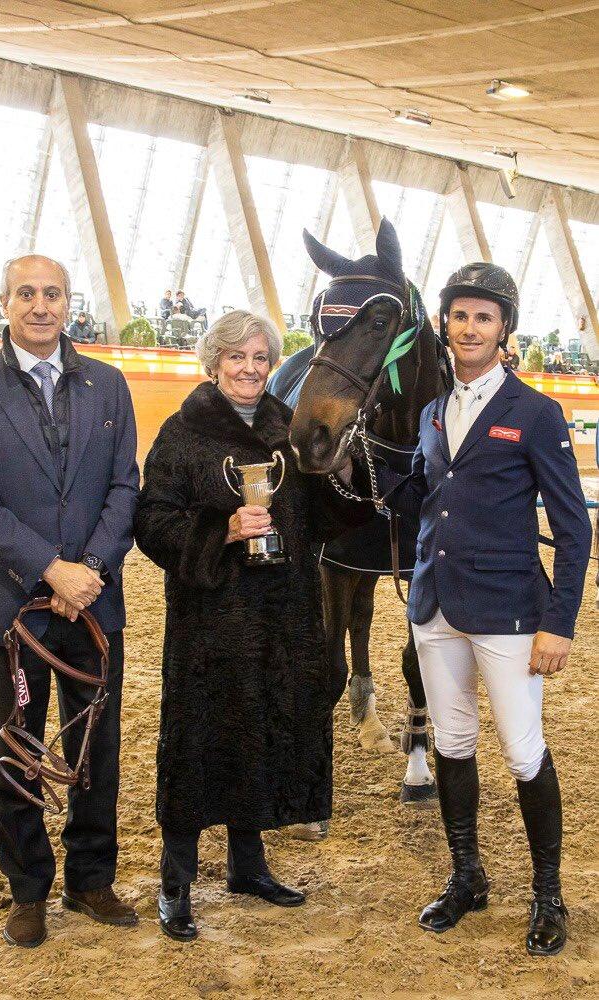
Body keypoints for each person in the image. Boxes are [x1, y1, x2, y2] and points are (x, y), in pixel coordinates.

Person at [133, 310, 369, 942]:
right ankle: (176, 880)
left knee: (261, 734)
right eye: (236, 358)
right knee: (198, 741)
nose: (249, 369)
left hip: (282, 617)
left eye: (260, 358)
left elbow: (326, 519)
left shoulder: (288, 435)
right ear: (214, 364)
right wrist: (223, 531)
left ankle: (248, 866)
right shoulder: (181, 435)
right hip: (211, 622)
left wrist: (346, 476)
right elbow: (151, 522)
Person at [378, 263, 591, 956]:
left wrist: (558, 622)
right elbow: (425, 495)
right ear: (444, 324)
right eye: (460, 315)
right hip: (435, 607)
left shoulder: (534, 412)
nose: (469, 328)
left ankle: (547, 894)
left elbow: (572, 526)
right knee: (452, 742)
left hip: (508, 611)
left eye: (484, 317)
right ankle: (467, 877)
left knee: (523, 751)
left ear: (504, 330)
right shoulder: (432, 413)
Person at [0, 254, 140, 948]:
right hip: (6, 609)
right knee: (16, 752)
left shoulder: (109, 387)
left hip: (93, 603)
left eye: (52, 293)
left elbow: (122, 490)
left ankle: (90, 879)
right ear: (4, 303)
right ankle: (27, 890)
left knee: (96, 749)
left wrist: (88, 571)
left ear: (69, 304)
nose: (41, 305)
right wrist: (51, 569)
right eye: (27, 293)